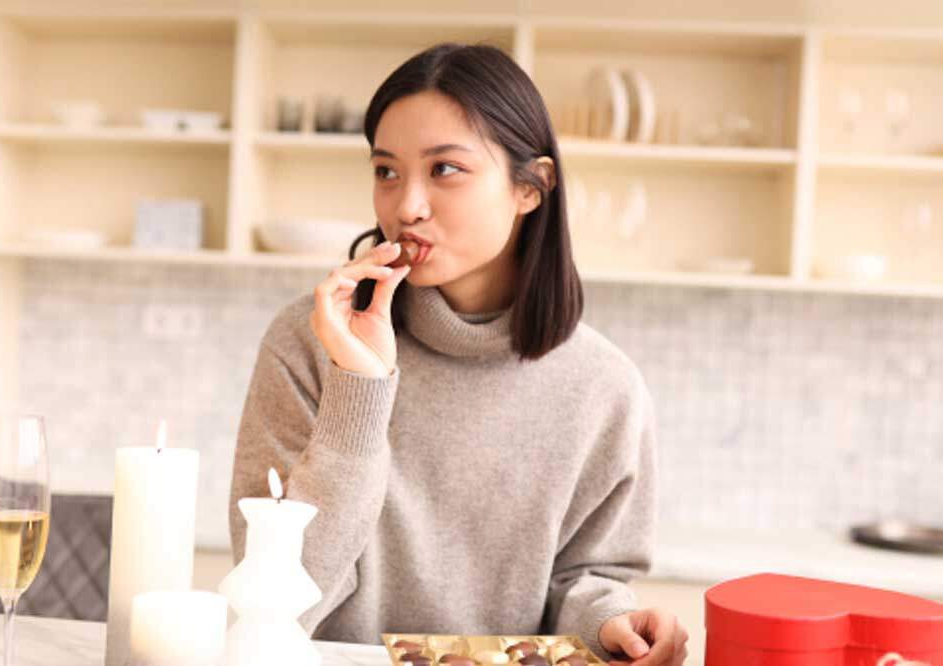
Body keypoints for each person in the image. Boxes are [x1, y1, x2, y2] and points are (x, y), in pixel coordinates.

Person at [229, 42, 689, 665]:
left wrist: (613, 624)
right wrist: (359, 389)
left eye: (444, 168)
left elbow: (585, 579)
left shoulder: (604, 386)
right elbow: (279, 601)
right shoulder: (310, 341)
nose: (406, 207)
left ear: (532, 187)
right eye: (386, 171)